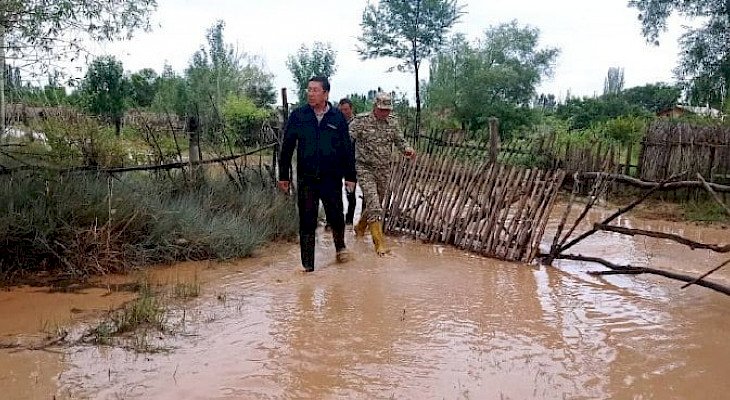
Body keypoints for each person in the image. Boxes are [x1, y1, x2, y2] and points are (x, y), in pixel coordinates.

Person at [278, 76, 357, 272]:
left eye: (315, 90)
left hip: (331, 177)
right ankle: (308, 266)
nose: (310, 94)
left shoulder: (337, 117)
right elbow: (287, 146)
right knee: (307, 220)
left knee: (336, 215)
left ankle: (340, 248)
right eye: (309, 90)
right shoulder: (299, 116)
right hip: (307, 178)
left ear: (325, 93)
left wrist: (350, 176)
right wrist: (283, 176)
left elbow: (346, 148)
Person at [350, 91, 415, 256]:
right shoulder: (360, 121)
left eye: (388, 110)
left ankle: (360, 227)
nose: (385, 113)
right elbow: (344, 141)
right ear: (375, 107)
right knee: (374, 205)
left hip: (384, 169)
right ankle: (379, 244)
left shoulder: (392, 123)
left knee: (376, 202)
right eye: (382, 109)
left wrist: (407, 149)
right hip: (364, 168)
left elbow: (400, 140)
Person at [338, 98, 358, 225]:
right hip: (339, 162)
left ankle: (350, 220)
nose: (344, 112)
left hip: (355, 162)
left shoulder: (357, 123)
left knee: (351, 192)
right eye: (342, 110)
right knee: (336, 191)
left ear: (351, 109)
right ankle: (337, 219)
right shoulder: (337, 123)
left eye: (346, 109)